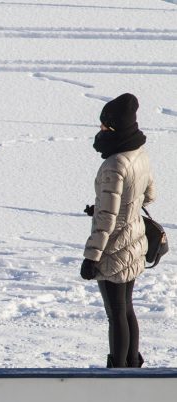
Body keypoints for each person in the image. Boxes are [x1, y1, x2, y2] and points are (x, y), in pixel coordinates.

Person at [80, 93, 155, 368]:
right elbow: (149, 195)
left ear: (116, 128)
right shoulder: (139, 153)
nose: (101, 130)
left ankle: (119, 372)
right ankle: (132, 365)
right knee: (127, 308)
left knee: (115, 312)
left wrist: (91, 258)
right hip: (135, 239)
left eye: (105, 126)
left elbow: (107, 220)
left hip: (114, 245)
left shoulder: (113, 164)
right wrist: (115, 207)